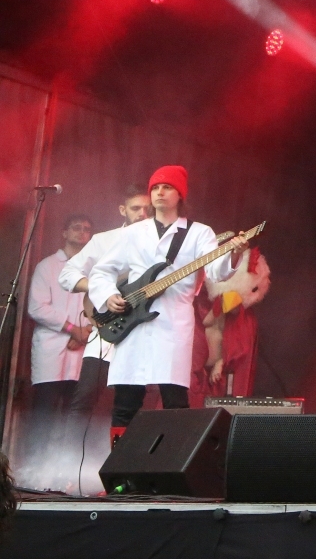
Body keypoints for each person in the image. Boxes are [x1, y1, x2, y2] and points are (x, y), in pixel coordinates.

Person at [88, 167, 244, 438]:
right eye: (155, 188)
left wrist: (233, 254)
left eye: (167, 187)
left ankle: (174, 459)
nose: (160, 192)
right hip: (132, 325)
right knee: (125, 402)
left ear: (180, 194)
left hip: (172, 323)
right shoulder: (133, 233)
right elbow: (102, 271)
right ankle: (121, 462)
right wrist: (108, 296)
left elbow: (217, 271)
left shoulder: (199, 233)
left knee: (174, 401)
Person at [58, 188, 152, 457]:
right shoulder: (104, 240)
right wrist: (102, 290)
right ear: (123, 210)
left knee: (132, 402)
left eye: (147, 209)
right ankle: (66, 462)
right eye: (135, 208)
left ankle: (123, 463)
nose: (142, 214)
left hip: (142, 330)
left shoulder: (160, 242)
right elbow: (67, 274)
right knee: (85, 397)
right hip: (107, 327)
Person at [26, 215, 92, 477]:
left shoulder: (93, 268)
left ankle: (65, 473)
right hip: (52, 348)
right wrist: (72, 329)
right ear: (64, 232)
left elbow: (98, 306)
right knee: (45, 411)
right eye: (76, 227)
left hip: (83, 348)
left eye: (86, 229)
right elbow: (37, 307)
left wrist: (85, 331)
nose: (82, 232)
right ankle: (34, 470)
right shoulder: (48, 266)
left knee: (74, 414)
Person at [192, 246, 271, 400]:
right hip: (194, 375)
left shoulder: (245, 319)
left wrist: (221, 362)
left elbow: (240, 347)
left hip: (218, 379)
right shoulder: (199, 305)